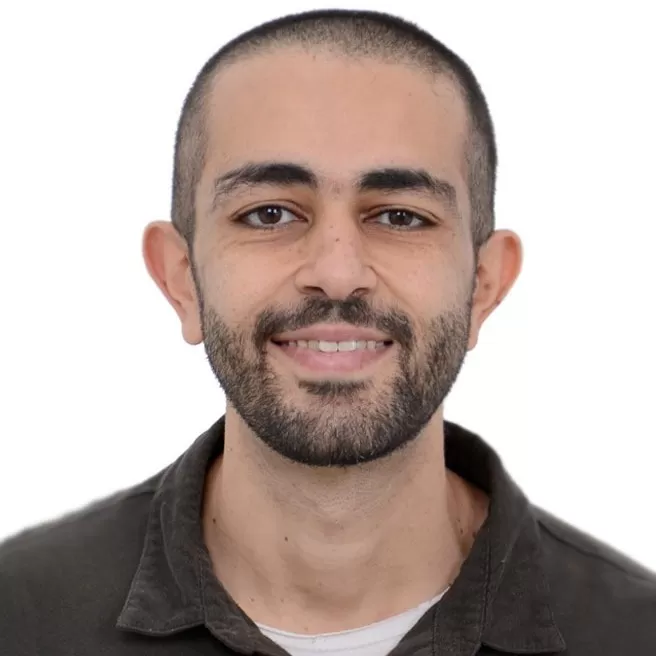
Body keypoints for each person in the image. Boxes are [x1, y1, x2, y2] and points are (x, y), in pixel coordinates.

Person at [1, 8, 654, 656]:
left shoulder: (635, 635)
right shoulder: (19, 618)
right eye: (269, 214)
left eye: (399, 217)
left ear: (484, 285)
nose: (338, 275)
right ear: (182, 281)